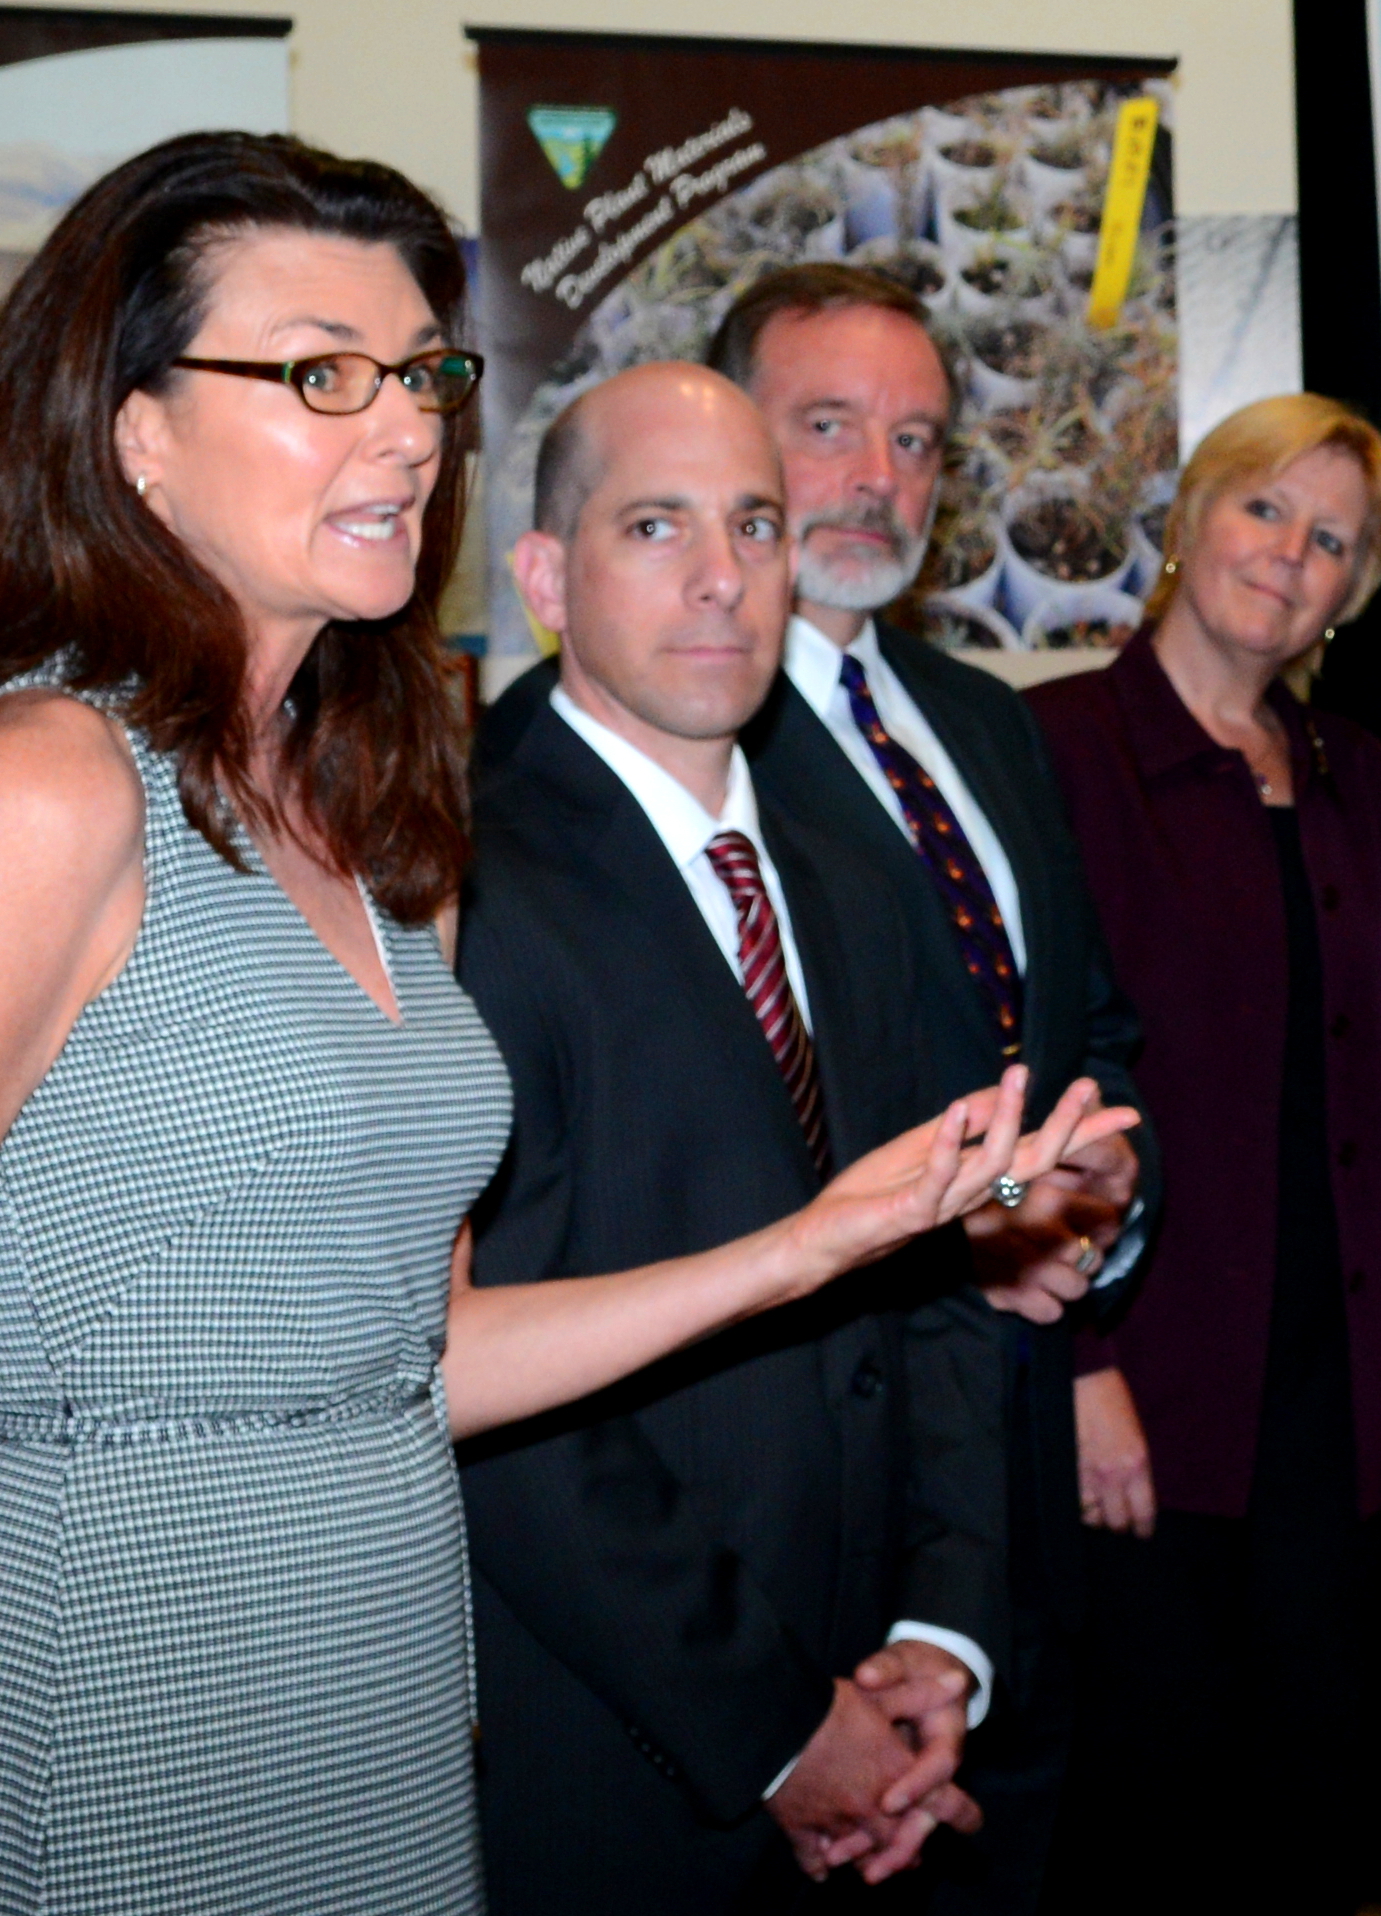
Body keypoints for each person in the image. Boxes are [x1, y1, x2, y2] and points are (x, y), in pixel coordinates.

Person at [0, 134, 1124, 1916]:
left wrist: (822, 1243)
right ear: (136, 431)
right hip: (129, 1690)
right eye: (319, 374)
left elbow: (416, 1360)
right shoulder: (50, 785)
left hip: (379, 1696)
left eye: (423, 375)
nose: (402, 432)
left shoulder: (371, 827)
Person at [456, 358, 1138, 1913]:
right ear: (547, 578)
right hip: (625, 1762)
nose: (719, 577)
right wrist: (777, 1726)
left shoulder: (842, 879)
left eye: (754, 525)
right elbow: (502, 1401)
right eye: (654, 526)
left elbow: (938, 1261)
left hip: (885, 1717)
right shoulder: (465, 890)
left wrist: (941, 1626)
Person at [700, 263, 1153, 1915]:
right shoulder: (682, 747)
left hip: (1013, 1491)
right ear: (727, 432)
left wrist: (1093, 1210)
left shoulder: (985, 720)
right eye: (827, 428)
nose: (876, 478)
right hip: (798, 1517)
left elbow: (1087, 1035)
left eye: (914, 441)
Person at [1025, 393, 1381, 1916]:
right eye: (1262, 509)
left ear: (1354, 588)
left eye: (1331, 538)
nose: (1287, 557)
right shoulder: (1055, 751)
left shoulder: (1357, 776)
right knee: (1147, 1825)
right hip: (1144, 1388)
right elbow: (1014, 1088)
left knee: (1315, 1812)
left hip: (1331, 1390)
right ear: (1188, 517)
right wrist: (1074, 1358)